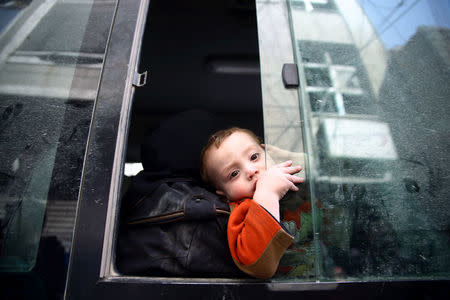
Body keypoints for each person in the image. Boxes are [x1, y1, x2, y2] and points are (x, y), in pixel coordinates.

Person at [200, 127, 304, 279]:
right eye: (234, 174)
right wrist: (267, 193)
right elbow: (258, 265)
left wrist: (295, 159)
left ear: (268, 152)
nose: (251, 170)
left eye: (254, 157)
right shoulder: (241, 211)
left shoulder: (295, 185)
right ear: (224, 194)